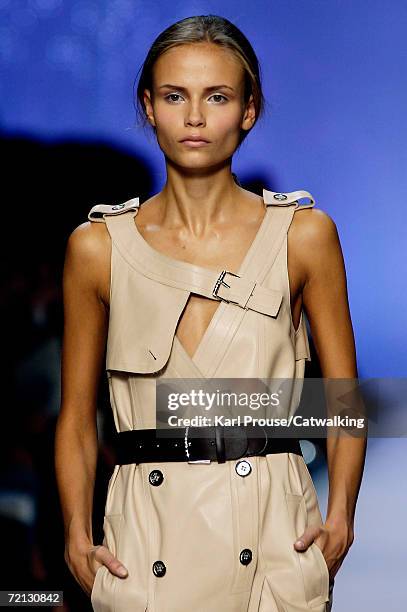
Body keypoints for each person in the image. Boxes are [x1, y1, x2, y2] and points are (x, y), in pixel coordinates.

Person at [55, 14, 366, 612]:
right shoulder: (96, 249)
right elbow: (75, 417)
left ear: (249, 110)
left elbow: (343, 398)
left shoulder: (303, 235)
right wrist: (75, 533)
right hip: (147, 542)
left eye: (217, 96)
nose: (195, 117)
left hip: (274, 539)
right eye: (175, 96)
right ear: (148, 106)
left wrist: (342, 517)